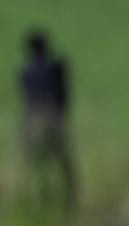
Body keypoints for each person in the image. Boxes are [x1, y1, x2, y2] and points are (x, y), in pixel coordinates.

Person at [18, 29, 76, 210]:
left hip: (33, 120)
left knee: (37, 163)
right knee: (61, 162)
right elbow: (64, 93)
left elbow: (25, 97)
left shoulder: (25, 70)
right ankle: (69, 198)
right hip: (53, 119)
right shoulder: (55, 66)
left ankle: (41, 199)